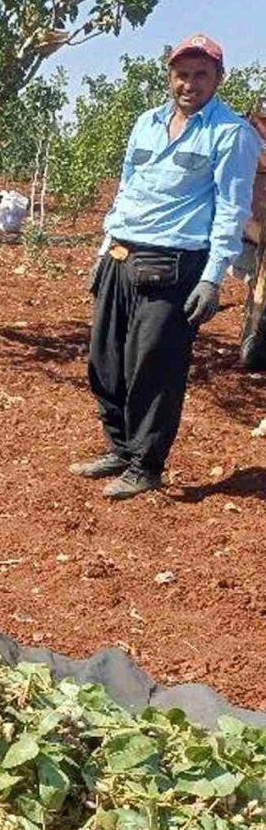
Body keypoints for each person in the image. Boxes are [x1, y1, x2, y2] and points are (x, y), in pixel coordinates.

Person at [71, 33, 262, 500]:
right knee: (106, 361)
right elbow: (127, 189)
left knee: (154, 366)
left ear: (218, 78)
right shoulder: (146, 123)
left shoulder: (231, 133)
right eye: (182, 74)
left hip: (175, 264)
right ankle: (118, 447)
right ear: (169, 76)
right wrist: (103, 251)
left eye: (200, 75)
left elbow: (231, 210)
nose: (189, 84)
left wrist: (212, 278)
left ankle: (146, 464)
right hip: (121, 255)